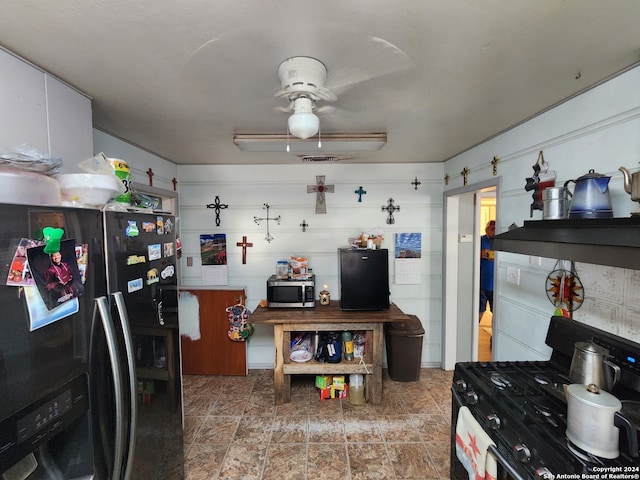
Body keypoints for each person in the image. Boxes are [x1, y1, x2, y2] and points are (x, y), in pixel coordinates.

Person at [480, 220, 496, 320]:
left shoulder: (501, 242)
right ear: (487, 230)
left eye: (496, 229)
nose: (494, 232)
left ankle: (494, 336)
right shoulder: (480, 240)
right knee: (479, 310)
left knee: (496, 313)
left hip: (496, 285)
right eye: (492, 229)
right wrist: (479, 253)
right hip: (481, 284)